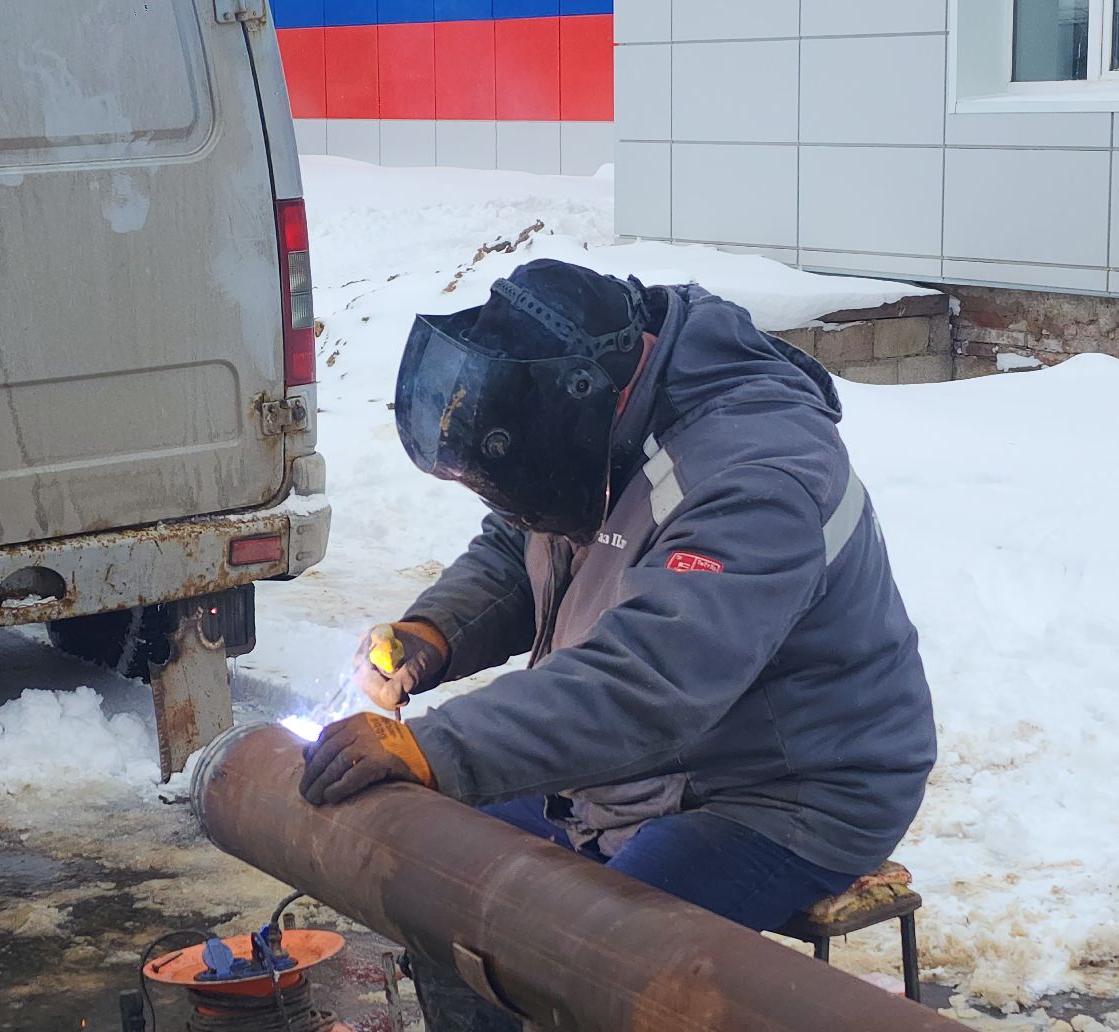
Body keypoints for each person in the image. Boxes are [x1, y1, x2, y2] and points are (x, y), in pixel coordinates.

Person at [299, 259, 937, 1030]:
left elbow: (651, 682)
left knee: (590, 955)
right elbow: (519, 542)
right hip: (641, 770)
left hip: (785, 789)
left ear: (591, 396)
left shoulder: (759, 472)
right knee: (441, 878)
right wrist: (430, 634)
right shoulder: (593, 429)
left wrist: (436, 747)